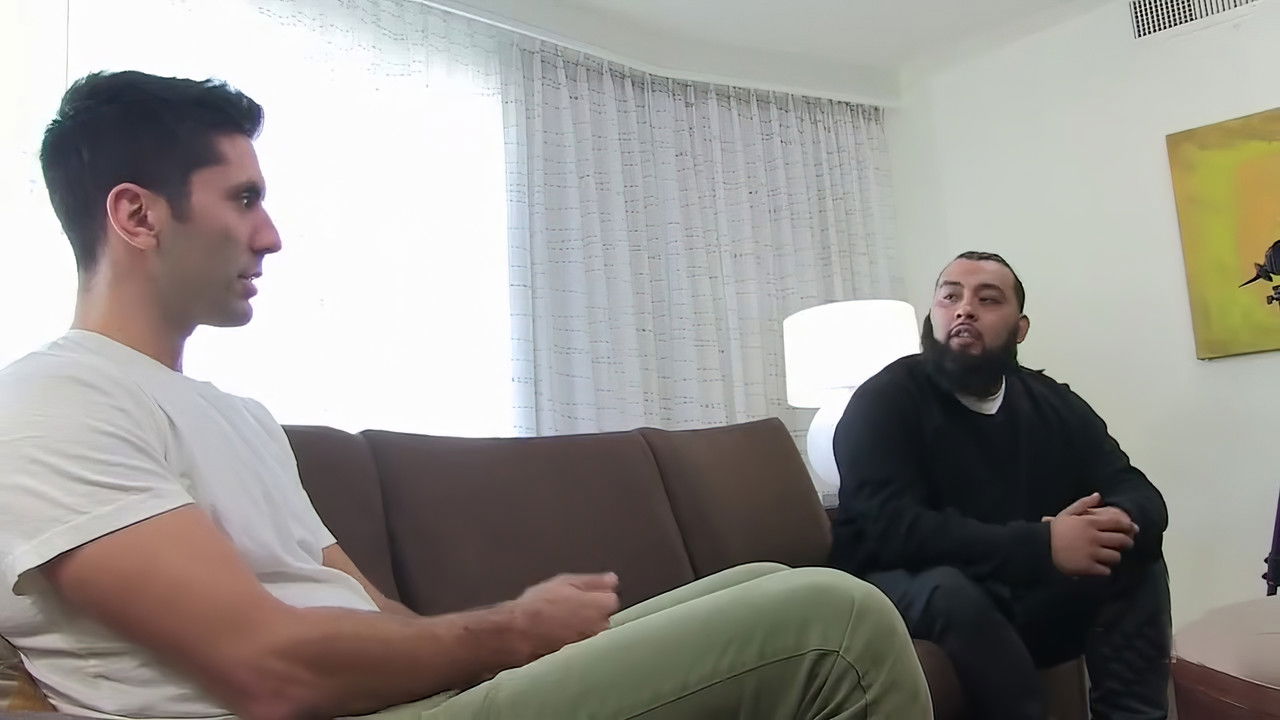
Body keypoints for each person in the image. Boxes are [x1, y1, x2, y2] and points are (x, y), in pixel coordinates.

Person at [0, 70, 933, 720]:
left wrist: (510, 650)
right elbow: (268, 671)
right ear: (137, 214)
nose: (272, 235)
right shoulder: (51, 403)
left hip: (400, 700)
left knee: (766, 581)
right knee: (832, 621)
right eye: (243, 199)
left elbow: (375, 616)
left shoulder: (238, 419)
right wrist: (511, 632)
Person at [828, 251, 1171, 720]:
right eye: (950, 297)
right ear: (932, 316)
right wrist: (1042, 545)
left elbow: (1135, 488)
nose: (964, 309)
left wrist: (1116, 520)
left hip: (1006, 581)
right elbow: (891, 531)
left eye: (987, 299)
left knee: (1130, 553)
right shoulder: (884, 400)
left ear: (1020, 329)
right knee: (950, 591)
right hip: (896, 582)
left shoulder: (1051, 402)